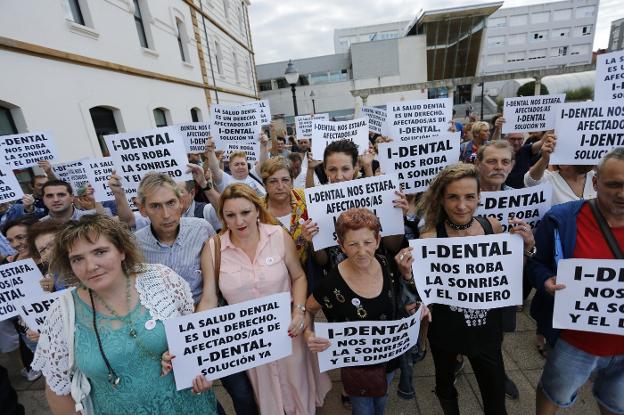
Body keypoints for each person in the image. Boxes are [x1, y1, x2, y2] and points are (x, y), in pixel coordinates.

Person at [31, 214, 217, 414]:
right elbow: (58, 389)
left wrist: (198, 369)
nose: (91, 266)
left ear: (121, 251)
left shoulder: (161, 279)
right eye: (78, 259)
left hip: (191, 406)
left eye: (100, 252)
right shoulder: (62, 313)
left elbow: (194, 338)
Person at [198, 183, 331, 414]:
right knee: (266, 396)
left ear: (258, 210)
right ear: (222, 217)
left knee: (297, 389)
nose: (239, 221)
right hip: (250, 341)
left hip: (288, 332)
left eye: (245, 212)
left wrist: (299, 310)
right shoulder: (213, 249)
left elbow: (298, 277)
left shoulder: (278, 235)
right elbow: (209, 298)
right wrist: (193, 343)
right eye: (230, 215)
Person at [415, 163, 535, 415]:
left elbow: (508, 275)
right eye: (453, 197)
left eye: (470, 197)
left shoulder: (493, 227)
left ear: (479, 197)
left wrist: (526, 248)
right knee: (445, 385)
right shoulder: (429, 239)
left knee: (494, 398)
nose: (462, 205)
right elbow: (425, 291)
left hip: (487, 330)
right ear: (441, 198)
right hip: (447, 330)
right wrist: (410, 275)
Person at [527, 148, 624, 415]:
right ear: (595, 182)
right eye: (614, 184)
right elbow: (534, 263)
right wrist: (546, 281)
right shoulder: (562, 219)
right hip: (575, 341)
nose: (622, 194)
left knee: (617, 403)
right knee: (553, 392)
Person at [304, 208, 426, 415]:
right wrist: (309, 334)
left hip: (388, 358)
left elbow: (401, 301)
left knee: (381, 400)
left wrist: (417, 310)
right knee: (363, 410)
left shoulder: (388, 265)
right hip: (355, 366)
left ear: (378, 240)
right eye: (352, 244)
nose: (361, 251)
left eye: (368, 243)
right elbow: (308, 309)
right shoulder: (331, 283)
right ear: (341, 245)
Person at [132, 172, 215, 304]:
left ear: (181, 202)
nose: (166, 215)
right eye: (155, 206)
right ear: (142, 209)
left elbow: (215, 284)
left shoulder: (202, 230)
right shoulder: (134, 245)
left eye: (171, 203)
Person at [260, 156, 311, 265]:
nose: (280, 186)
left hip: (308, 270)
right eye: (273, 181)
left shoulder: (305, 198)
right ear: (264, 185)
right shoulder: (256, 210)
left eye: (285, 180)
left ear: (292, 181)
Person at [524, 132, 596, 206]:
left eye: (569, 153)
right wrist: (544, 159)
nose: (564, 158)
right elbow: (530, 181)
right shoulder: (550, 179)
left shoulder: (597, 178)